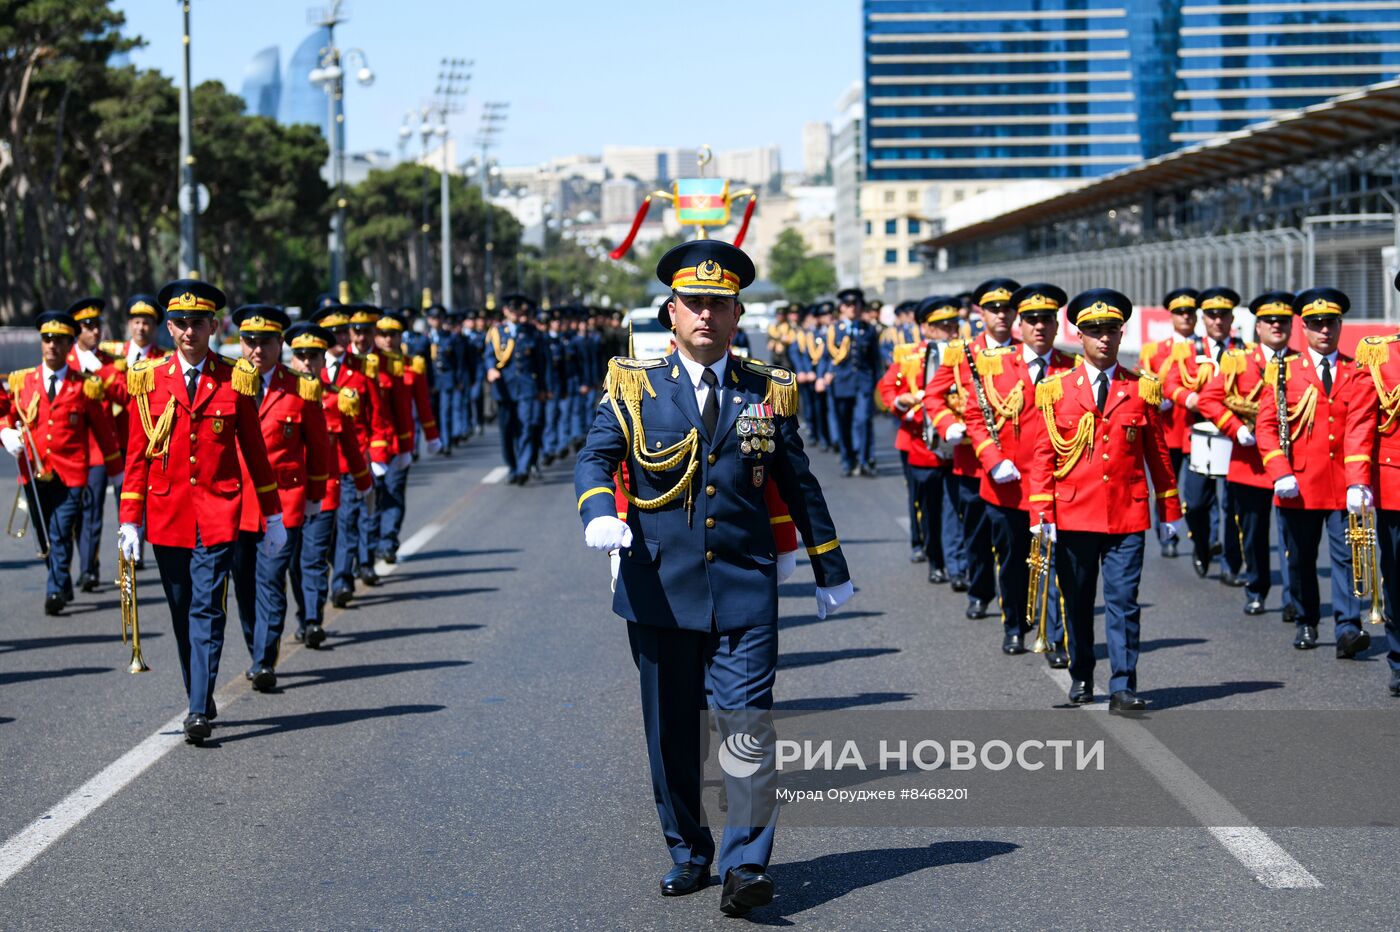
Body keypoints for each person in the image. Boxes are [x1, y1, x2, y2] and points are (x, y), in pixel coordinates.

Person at [575, 240, 852, 917]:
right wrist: (599, 513)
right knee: (671, 732)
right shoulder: (634, 384)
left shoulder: (767, 389)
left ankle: (745, 864)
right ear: (671, 312)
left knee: (747, 725)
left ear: (736, 315)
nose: (705, 314)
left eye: (718, 304)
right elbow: (594, 457)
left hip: (743, 586)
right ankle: (689, 851)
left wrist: (827, 567)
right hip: (659, 586)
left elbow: (798, 482)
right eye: (693, 303)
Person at [117, 280, 286, 744]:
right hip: (167, 514)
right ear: (169, 327)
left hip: (217, 513)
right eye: (180, 323)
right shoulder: (148, 379)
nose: (189, 330)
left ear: (214, 325)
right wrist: (129, 519)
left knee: (207, 609)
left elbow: (255, 454)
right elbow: (136, 457)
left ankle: (196, 709)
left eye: (198, 322)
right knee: (180, 609)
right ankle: (199, 690)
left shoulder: (235, 378)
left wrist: (272, 517)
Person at [1026, 288, 1183, 711]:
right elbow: (1043, 454)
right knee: (1077, 601)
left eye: (1111, 330)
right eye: (1094, 331)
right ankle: (1081, 673)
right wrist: (1040, 512)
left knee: (1123, 602)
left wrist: (1170, 509)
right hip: (1073, 514)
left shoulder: (1141, 388)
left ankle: (1122, 685)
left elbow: (1159, 455)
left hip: (1126, 514)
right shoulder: (1057, 389)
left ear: (1121, 333)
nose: (1103, 338)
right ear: (1079, 335)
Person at [962, 283, 1077, 662]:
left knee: (1055, 565)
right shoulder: (995, 365)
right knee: (1012, 564)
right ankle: (1013, 625)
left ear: (1057, 325)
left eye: (1046, 319)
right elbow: (976, 417)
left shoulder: (1072, 369)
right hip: (1007, 487)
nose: (1039, 327)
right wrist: (993, 459)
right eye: (1031, 320)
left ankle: (1055, 637)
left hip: (1056, 488)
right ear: (1020, 324)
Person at [1255, 287, 1366, 656]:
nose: (1324, 331)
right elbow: (1267, 428)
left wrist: (1360, 482)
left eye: (1330, 323)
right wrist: (1279, 471)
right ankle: (1306, 620)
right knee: (1300, 558)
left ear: (1339, 325)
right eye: (1316, 324)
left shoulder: (1356, 370)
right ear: (1304, 328)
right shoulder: (1285, 372)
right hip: (1298, 485)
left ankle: (1348, 627)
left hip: (1343, 485)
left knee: (1347, 555)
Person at [227, 305, 331, 692]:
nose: (257, 349)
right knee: (245, 585)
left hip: (284, 503)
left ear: (279, 344)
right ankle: (257, 642)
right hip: (236, 507)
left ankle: (263, 658)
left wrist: (315, 497)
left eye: (266, 342)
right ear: (240, 343)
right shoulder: (227, 382)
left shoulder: (301, 388)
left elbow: (319, 448)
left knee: (271, 579)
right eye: (250, 342)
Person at [2, 311, 121, 614]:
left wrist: (116, 472)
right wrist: (5, 431)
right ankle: (62, 578)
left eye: (59, 340)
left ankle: (54, 589)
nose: (52, 345)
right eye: (47, 339)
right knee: (43, 535)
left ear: (70, 345)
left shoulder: (85, 386)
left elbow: (103, 432)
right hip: (32, 471)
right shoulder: (22, 382)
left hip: (71, 474)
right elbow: (9, 415)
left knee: (60, 529)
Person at [922, 278, 1021, 618]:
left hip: (1015, 459)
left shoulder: (1025, 352)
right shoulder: (962, 352)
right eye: (994, 309)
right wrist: (949, 424)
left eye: (1008, 309)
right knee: (977, 533)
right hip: (973, 461)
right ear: (980, 312)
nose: (1002, 315)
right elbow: (933, 395)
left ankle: (1018, 601)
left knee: (1015, 538)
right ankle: (980, 590)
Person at [1195, 291, 1295, 616]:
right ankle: (1256, 587)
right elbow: (1209, 399)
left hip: (1293, 465)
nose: (1276, 326)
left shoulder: (1300, 363)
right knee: (1252, 533)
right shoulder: (1241, 361)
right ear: (1259, 326)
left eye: (1283, 320)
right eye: (1269, 321)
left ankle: (1294, 597)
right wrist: (1235, 428)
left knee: (1294, 535)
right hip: (1250, 465)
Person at [284, 322, 371, 646]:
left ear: (323, 361)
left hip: (325, 494)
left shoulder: (337, 399)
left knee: (314, 558)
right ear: (292, 359)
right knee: (293, 563)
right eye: (301, 356)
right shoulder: (280, 397)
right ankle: (303, 612)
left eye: (313, 356)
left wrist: (364, 483)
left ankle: (312, 619)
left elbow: (350, 443)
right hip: (288, 495)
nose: (307, 362)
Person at [1161, 286, 1246, 581]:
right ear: (1203, 318)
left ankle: (1230, 566)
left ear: (1231, 316)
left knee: (1233, 504)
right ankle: (1201, 545)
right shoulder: (1187, 350)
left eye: (1223, 315)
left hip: (1235, 434)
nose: (1217, 321)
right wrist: (1189, 398)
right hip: (1197, 434)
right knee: (1196, 502)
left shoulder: (1243, 350)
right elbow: (1168, 385)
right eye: (1211, 315)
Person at [876, 296, 958, 580]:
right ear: (926, 328)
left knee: (957, 506)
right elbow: (886, 389)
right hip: (919, 441)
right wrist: (903, 404)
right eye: (942, 325)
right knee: (925, 503)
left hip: (960, 444)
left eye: (953, 324)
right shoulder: (909, 356)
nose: (951, 330)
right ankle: (930, 553)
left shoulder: (965, 354)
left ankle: (956, 563)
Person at [1347, 285, 1400, 696]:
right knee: (1398, 576)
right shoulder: (1381, 354)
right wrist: (1357, 480)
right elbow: (1361, 422)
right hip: (1396, 484)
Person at [312, 303, 381, 608]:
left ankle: (341, 582)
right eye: (334, 332)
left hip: (353, 461)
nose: (340, 337)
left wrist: (377, 454)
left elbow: (376, 415)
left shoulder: (363, 368)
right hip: (321, 465)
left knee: (349, 521)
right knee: (326, 532)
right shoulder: (309, 367)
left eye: (344, 331)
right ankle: (335, 568)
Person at [65, 297, 121, 593]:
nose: (95, 331)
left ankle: (88, 568)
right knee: (71, 516)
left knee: (92, 512)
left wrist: (100, 371)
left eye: (97, 325)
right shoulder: (65, 359)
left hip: (99, 451)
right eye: (88, 326)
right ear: (77, 330)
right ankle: (79, 564)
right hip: (69, 452)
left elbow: (124, 395)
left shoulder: (107, 361)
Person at [1138, 288, 1200, 557]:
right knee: (1166, 486)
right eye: (1180, 312)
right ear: (1172, 316)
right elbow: (1144, 386)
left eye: (1189, 312)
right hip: (1168, 430)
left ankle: (1203, 540)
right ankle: (1168, 535)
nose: (1185, 316)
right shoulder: (1154, 350)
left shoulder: (1206, 348)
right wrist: (1156, 402)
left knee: (1200, 495)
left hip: (1199, 430)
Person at [486, 294, 546, 484]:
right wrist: (490, 370)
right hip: (504, 388)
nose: (515, 313)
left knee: (526, 426)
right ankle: (512, 466)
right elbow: (488, 355)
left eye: (518, 310)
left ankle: (523, 467)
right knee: (507, 430)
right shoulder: (496, 332)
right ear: (505, 311)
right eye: (512, 309)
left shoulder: (532, 332)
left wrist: (544, 388)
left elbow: (541, 363)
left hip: (527, 387)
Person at [823, 287, 882, 476]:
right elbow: (826, 356)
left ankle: (865, 460)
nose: (852, 308)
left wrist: (878, 383)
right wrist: (825, 374)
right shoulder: (834, 330)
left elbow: (875, 360)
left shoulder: (868, 329)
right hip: (842, 382)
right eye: (848, 305)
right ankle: (849, 459)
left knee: (863, 420)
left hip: (863, 382)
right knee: (844, 422)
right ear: (841, 308)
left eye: (856, 305)